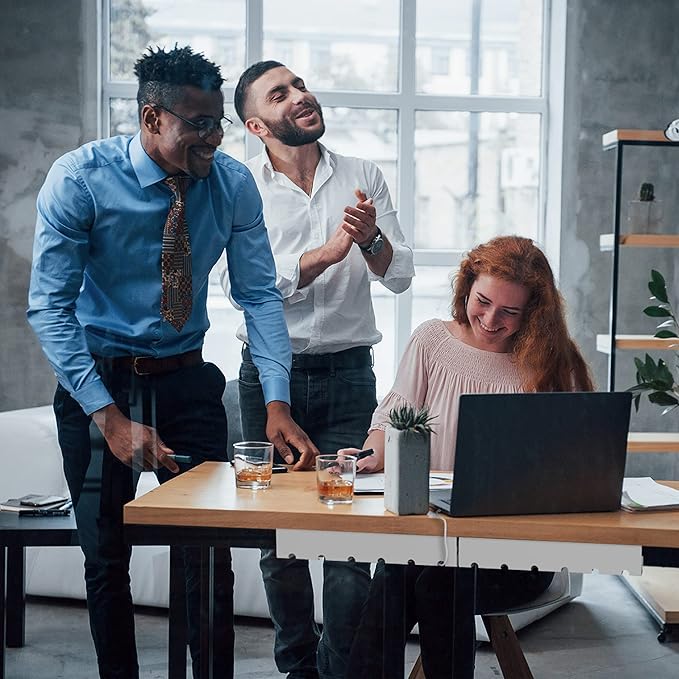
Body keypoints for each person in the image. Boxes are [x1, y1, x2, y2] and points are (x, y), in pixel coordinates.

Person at [27, 45, 317, 679]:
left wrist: (276, 402)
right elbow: (49, 309)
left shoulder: (232, 185)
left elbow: (259, 296)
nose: (214, 138)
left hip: (186, 380)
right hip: (98, 384)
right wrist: (108, 418)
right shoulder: (78, 180)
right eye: (197, 124)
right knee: (104, 559)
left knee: (208, 555)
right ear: (152, 117)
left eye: (219, 122)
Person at [220, 61, 415, 679]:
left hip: (352, 375)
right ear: (257, 124)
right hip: (268, 381)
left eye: (299, 85)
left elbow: (401, 273)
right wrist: (330, 252)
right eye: (281, 94)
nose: (300, 96)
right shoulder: (239, 185)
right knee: (278, 543)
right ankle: (296, 670)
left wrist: (370, 241)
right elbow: (241, 287)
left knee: (352, 537)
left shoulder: (363, 175)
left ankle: (339, 673)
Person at [343, 235, 595, 679]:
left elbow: (575, 463)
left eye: (510, 312)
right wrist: (370, 455)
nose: (491, 320)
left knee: (436, 578)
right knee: (407, 572)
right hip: (432, 539)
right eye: (483, 302)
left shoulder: (553, 365)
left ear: (534, 313)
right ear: (466, 288)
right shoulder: (431, 343)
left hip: (518, 554)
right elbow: (391, 418)